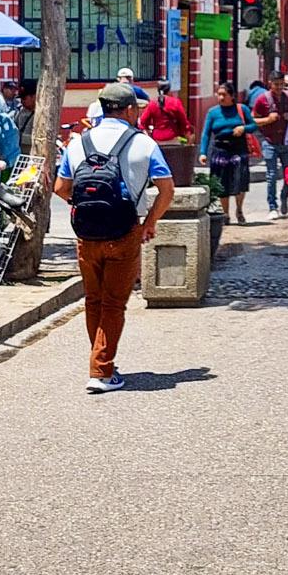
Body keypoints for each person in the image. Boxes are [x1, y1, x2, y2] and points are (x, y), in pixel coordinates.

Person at [54, 82, 175, 394]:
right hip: (125, 232)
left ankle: (101, 360)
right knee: (113, 303)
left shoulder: (78, 143)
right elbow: (166, 189)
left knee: (94, 299)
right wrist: (150, 223)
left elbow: (60, 188)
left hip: (86, 235)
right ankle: (102, 371)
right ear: (131, 110)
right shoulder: (144, 144)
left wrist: (85, 206)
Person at [197, 81, 257, 225]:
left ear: (232, 96)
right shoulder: (213, 112)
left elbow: (253, 125)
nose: (221, 97)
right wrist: (203, 152)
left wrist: (243, 129)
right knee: (222, 183)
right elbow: (206, 134)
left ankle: (239, 210)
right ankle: (225, 213)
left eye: (224, 95)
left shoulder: (241, 109)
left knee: (240, 180)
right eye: (219, 94)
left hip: (238, 149)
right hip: (220, 150)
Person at [249, 71, 288, 217]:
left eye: (282, 84)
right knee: (271, 174)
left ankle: (284, 196)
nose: (279, 87)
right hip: (269, 141)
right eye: (276, 84)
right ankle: (272, 206)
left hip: (287, 142)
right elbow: (252, 120)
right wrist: (268, 120)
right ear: (270, 83)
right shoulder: (262, 100)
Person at [139, 77, 189, 147]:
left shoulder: (152, 103)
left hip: (157, 140)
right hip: (173, 138)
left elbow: (143, 121)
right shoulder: (175, 102)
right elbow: (183, 122)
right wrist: (183, 133)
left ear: (158, 90)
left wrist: (148, 133)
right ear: (169, 90)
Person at [15, 80, 37, 155]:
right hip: (20, 154)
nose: (22, 101)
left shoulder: (41, 115)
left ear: (34, 96)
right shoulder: (20, 112)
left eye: (24, 98)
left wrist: (21, 138)